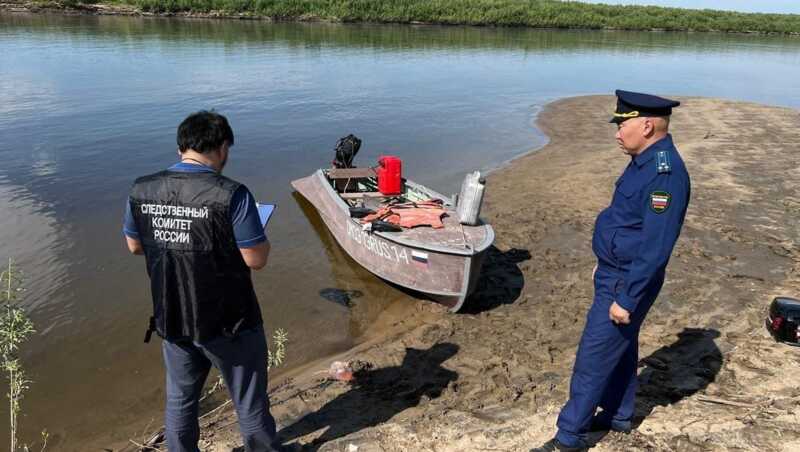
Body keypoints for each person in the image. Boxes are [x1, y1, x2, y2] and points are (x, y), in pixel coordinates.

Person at [532, 91, 691, 452]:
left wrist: (626, 297)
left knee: (593, 356)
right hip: (615, 271)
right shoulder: (643, 159)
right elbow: (626, 222)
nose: (617, 132)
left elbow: (655, 248)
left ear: (647, 125)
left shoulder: (665, 173)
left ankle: (569, 437)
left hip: (628, 280)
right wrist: (604, 262)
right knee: (621, 346)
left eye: (623, 124)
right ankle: (619, 414)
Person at [123, 111, 283, 452]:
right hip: (230, 322)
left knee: (180, 400)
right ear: (223, 147)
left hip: (172, 316)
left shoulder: (142, 188)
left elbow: (135, 245)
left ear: (182, 145)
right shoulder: (232, 194)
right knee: (249, 401)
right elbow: (256, 259)